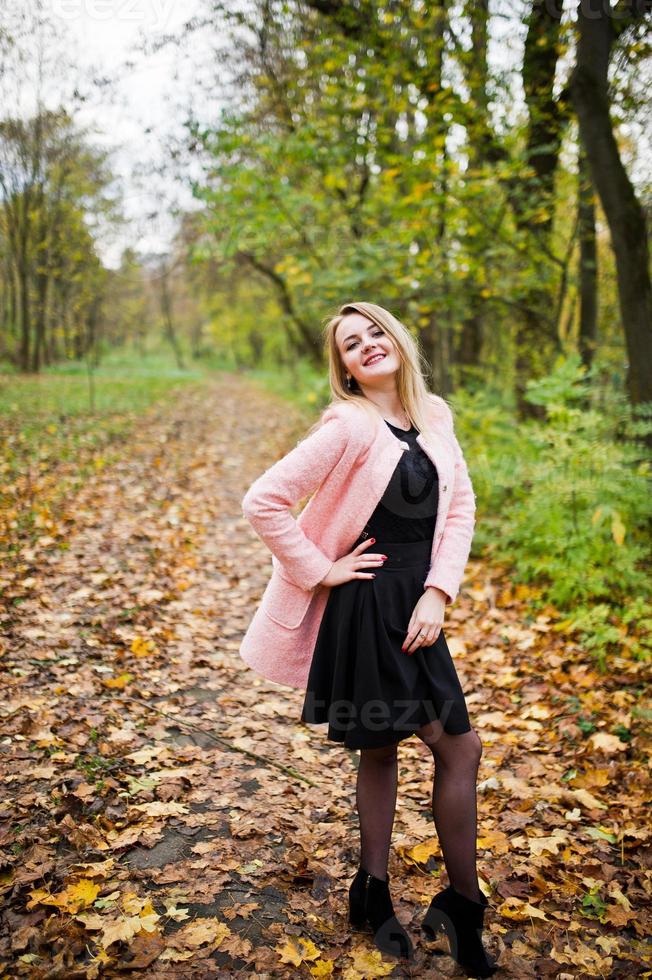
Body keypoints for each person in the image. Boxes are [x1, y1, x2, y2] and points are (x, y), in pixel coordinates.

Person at [239, 302, 498, 976]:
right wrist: (320, 569)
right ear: (347, 370)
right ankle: (378, 892)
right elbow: (264, 499)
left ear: (397, 338)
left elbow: (461, 505)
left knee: (455, 748)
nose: (368, 345)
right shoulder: (347, 426)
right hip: (369, 605)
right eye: (352, 344)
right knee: (393, 748)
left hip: (419, 605)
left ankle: (456, 905)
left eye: (375, 331)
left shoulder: (433, 412)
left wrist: (440, 591)